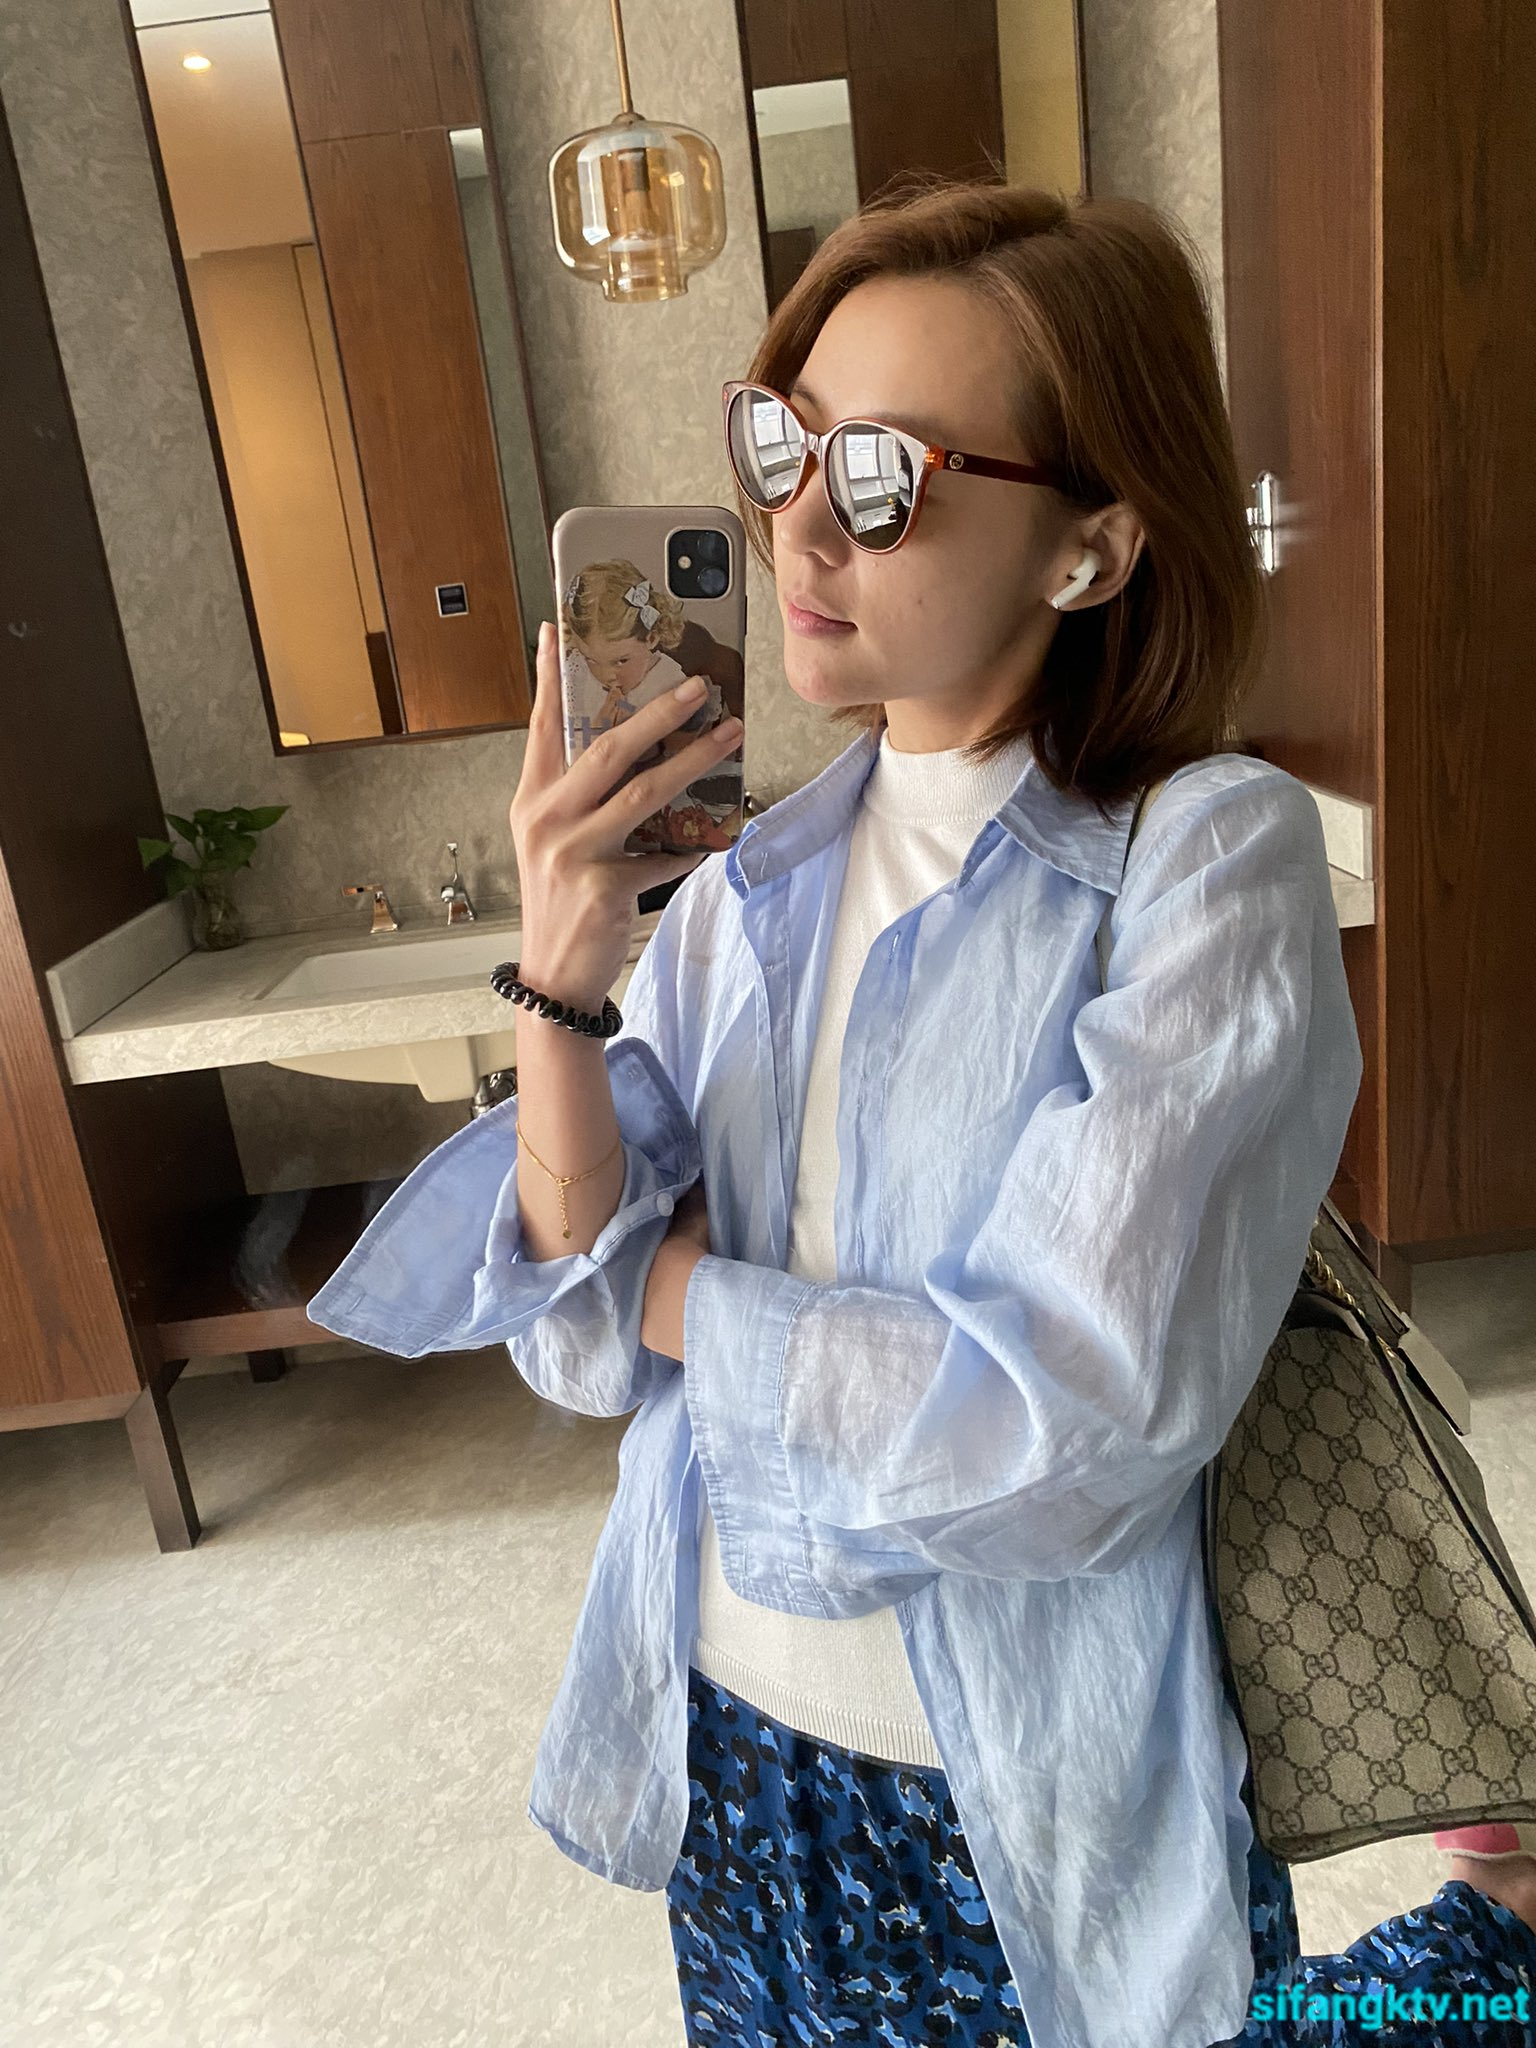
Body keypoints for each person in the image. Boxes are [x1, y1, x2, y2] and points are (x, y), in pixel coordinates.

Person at [308, 179, 1536, 2046]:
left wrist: (671, 1287)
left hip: (1019, 1789)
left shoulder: (1205, 860)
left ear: (1090, 550)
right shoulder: (740, 894)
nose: (801, 524)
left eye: (887, 474)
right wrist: (560, 974)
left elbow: (1065, 1424)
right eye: (786, 443)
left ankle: (1493, 1930)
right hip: (726, 1748)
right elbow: (568, 1346)